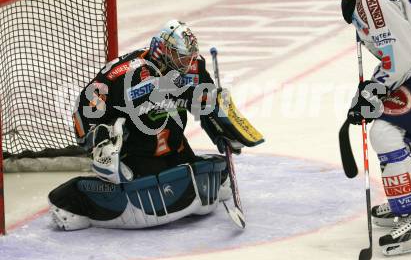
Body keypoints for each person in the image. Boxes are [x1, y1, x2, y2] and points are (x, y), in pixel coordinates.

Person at [48, 19, 259, 230]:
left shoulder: (192, 67)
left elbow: (207, 104)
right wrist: (100, 141)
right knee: (155, 195)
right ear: (164, 51)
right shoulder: (122, 75)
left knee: (201, 180)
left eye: (189, 57)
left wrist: (221, 129)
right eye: (181, 57)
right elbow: (85, 112)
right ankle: (71, 197)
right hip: (138, 155)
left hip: (176, 148)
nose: (187, 63)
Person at [307, 0, 411, 256]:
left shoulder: (371, 0)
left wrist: (372, 92)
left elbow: (403, 59)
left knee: (384, 129)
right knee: (395, 126)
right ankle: (406, 200)